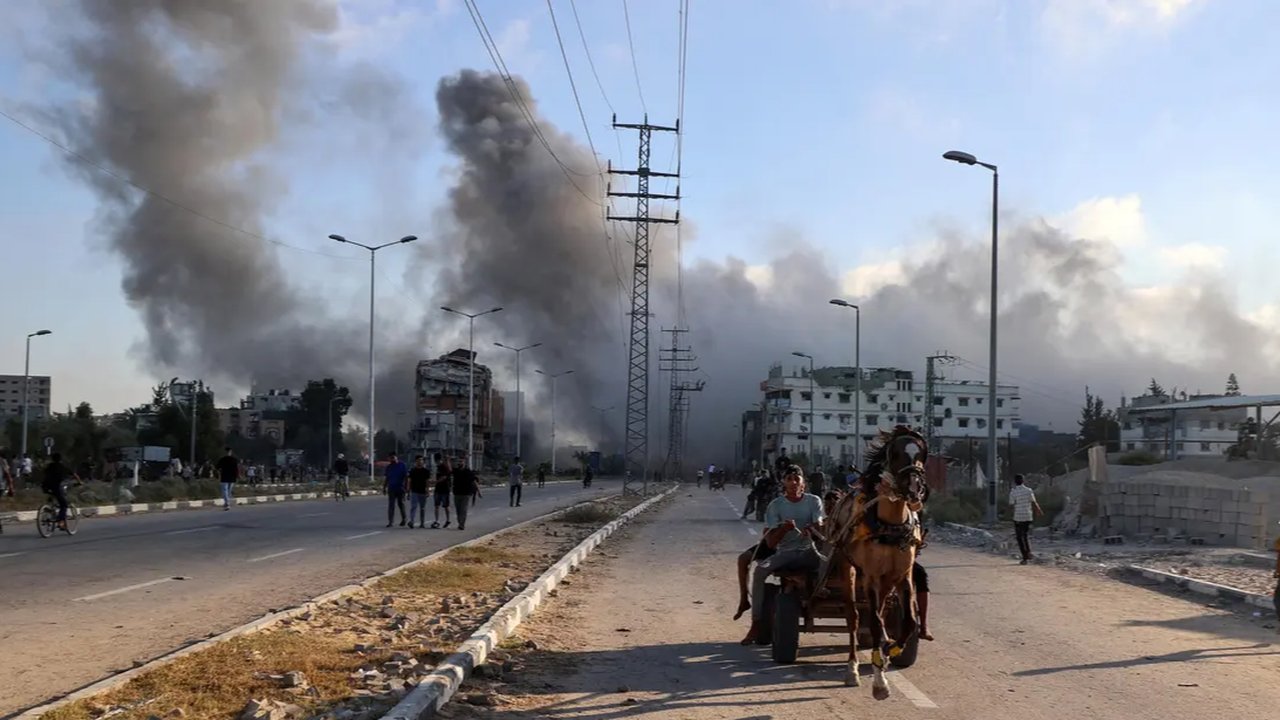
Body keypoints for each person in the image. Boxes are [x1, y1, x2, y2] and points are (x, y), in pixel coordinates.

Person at [741, 469, 824, 645]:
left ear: (803, 484)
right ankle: (756, 622)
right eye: (789, 479)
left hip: (811, 551)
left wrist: (814, 528)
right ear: (783, 483)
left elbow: (820, 524)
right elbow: (771, 543)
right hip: (786, 553)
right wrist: (783, 529)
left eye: (796, 479)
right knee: (760, 571)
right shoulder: (776, 506)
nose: (793, 483)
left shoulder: (813, 501)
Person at [1008, 473, 1042, 564]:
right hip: (1028, 516)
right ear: (1023, 481)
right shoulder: (1029, 490)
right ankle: (1029, 553)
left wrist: (1010, 515)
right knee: (1025, 536)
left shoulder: (1013, 491)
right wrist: (1039, 511)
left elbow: (1011, 505)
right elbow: (1034, 502)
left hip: (1018, 517)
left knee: (1020, 538)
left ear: (1015, 482)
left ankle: (1025, 557)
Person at [42, 452, 78, 530]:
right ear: (60, 459)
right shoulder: (62, 467)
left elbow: (44, 474)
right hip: (57, 487)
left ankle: (49, 509)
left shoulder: (49, 466)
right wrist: (79, 481)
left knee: (53, 496)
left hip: (46, 486)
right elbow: (73, 474)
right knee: (64, 505)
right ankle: (61, 521)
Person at [451, 462, 480, 530]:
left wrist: (478, 491)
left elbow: (474, 481)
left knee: (463, 509)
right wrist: (448, 460)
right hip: (457, 493)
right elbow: (449, 470)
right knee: (458, 510)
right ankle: (460, 523)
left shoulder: (468, 472)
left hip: (466, 493)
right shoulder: (456, 471)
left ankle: (462, 524)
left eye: (461, 461)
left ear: (464, 463)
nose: (460, 463)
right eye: (459, 461)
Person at [384, 452, 408, 528]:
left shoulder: (402, 465)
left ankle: (404, 519)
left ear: (396, 457)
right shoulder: (389, 467)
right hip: (391, 488)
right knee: (391, 505)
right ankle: (390, 521)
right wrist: (384, 487)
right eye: (390, 458)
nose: (392, 459)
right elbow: (387, 478)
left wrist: (406, 487)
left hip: (400, 488)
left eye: (393, 457)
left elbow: (406, 477)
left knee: (401, 504)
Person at [408, 456, 431, 528]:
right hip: (414, 491)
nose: (419, 462)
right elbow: (409, 481)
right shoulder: (413, 471)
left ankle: (422, 522)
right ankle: (412, 521)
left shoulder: (426, 471)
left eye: (421, 460)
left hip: (423, 491)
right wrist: (408, 491)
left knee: (422, 508)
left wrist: (427, 490)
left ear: (423, 462)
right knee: (413, 507)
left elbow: (427, 482)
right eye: (418, 460)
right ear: (416, 461)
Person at [431, 453, 452, 529]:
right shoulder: (438, 467)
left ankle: (448, 520)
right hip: (438, 489)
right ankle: (437, 520)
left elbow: (444, 477)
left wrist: (435, 482)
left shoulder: (444, 467)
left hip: (445, 489)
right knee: (436, 505)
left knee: (446, 506)